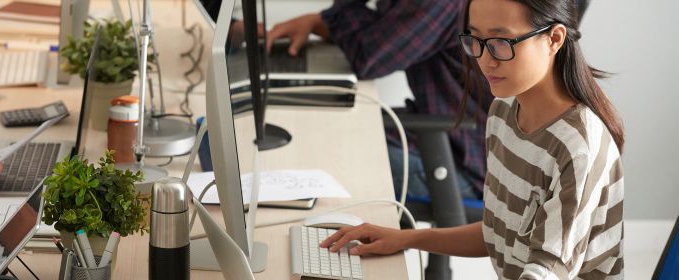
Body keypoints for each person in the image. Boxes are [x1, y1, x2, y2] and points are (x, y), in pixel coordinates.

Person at [320, 0, 625, 279]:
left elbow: (546, 271)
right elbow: (498, 232)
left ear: (554, 39)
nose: (485, 60)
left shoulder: (578, 147)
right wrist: (403, 238)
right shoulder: (504, 110)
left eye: (501, 42)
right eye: (475, 41)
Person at [266, 0, 493, 201]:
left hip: (461, 165)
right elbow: (378, 33)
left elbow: (368, 58)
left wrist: (323, 19)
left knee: (311, 154)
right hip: (441, 136)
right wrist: (316, 22)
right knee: (308, 133)